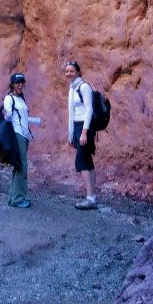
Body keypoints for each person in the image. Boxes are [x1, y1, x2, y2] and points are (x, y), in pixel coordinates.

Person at [3, 72, 41, 208]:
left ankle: (13, 197)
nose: (20, 85)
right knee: (22, 166)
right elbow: (8, 116)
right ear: (12, 84)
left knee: (18, 166)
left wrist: (37, 121)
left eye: (22, 82)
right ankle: (18, 199)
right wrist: (7, 114)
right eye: (17, 82)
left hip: (24, 135)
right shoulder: (9, 98)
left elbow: (23, 117)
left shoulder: (21, 99)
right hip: (17, 134)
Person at [64, 60, 97, 210]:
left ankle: (90, 198)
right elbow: (72, 113)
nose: (69, 73)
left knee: (81, 161)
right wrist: (72, 135)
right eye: (67, 71)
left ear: (78, 72)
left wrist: (83, 132)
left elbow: (89, 110)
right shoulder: (72, 88)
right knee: (87, 160)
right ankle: (92, 196)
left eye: (71, 71)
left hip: (85, 127)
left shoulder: (83, 87)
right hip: (78, 127)